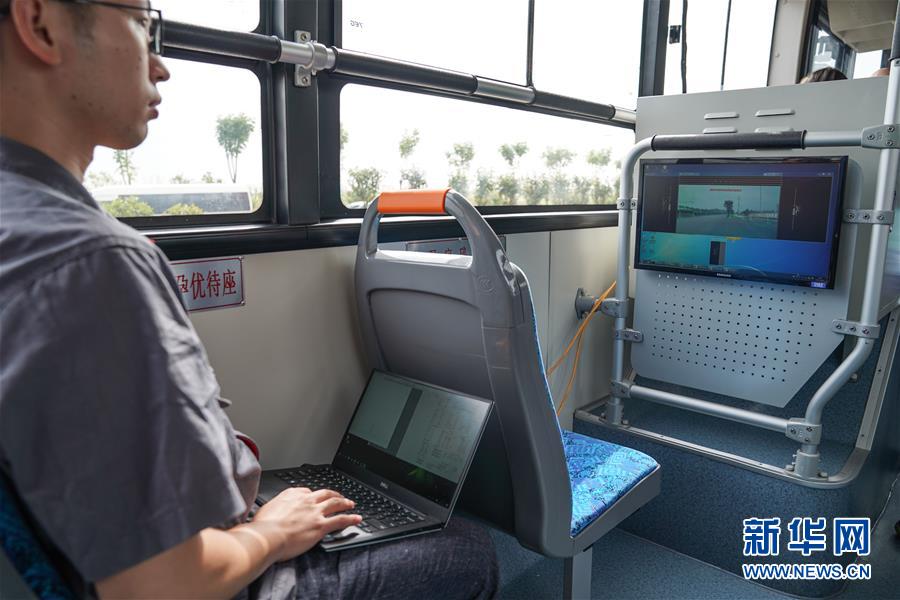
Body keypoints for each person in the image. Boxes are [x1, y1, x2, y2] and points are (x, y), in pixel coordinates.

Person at [0, 0, 499, 598]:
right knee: (468, 552)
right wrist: (271, 533)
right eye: (140, 24)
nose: (160, 65)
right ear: (41, 22)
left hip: (174, 533)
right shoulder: (89, 263)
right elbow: (157, 584)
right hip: (220, 572)